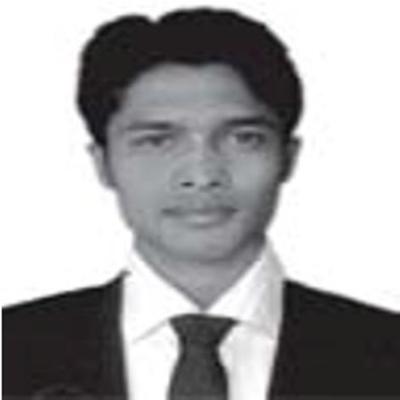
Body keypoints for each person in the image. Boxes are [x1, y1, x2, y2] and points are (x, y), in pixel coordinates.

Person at [3, 8, 399, 400]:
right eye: (157, 140)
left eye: (243, 138)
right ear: (103, 163)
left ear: (288, 157)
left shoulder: (386, 351)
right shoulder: (14, 347)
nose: (202, 174)